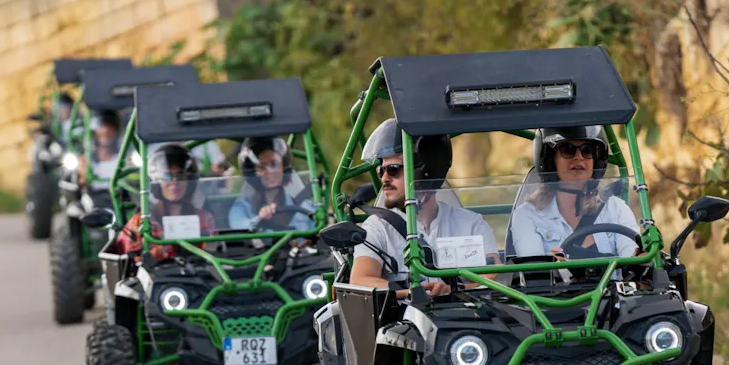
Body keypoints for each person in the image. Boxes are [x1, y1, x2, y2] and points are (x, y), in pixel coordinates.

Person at [349, 118, 496, 298]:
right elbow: (361, 279)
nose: (384, 178)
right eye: (382, 170)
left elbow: (494, 276)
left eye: (393, 169)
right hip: (404, 321)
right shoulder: (377, 227)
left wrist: (452, 291)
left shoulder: (471, 223)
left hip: (466, 318)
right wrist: (410, 293)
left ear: (426, 172)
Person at [508, 126, 639, 259]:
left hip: (612, 280)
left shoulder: (616, 208)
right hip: (558, 280)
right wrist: (556, 269)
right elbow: (534, 271)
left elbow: (632, 256)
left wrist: (639, 258)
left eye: (587, 150)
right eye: (567, 150)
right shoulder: (527, 215)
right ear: (551, 160)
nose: (578, 157)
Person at [117, 144, 217, 261]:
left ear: (189, 181)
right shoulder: (140, 223)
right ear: (155, 181)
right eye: (167, 176)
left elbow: (215, 252)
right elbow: (127, 262)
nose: (174, 183)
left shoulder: (204, 218)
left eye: (180, 176)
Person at [227, 137, 316, 232]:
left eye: (274, 164)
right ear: (253, 173)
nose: (270, 171)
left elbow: (319, 230)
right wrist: (260, 218)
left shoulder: (303, 205)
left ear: (284, 167)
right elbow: (238, 226)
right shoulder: (242, 207)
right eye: (262, 167)